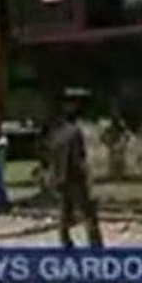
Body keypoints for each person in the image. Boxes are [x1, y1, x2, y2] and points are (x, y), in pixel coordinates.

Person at [48, 101, 104, 248]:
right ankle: (96, 244)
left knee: (65, 211)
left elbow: (51, 156)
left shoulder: (56, 134)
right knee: (88, 212)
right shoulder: (75, 133)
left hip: (60, 177)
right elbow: (78, 157)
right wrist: (86, 175)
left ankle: (65, 240)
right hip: (74, 177)